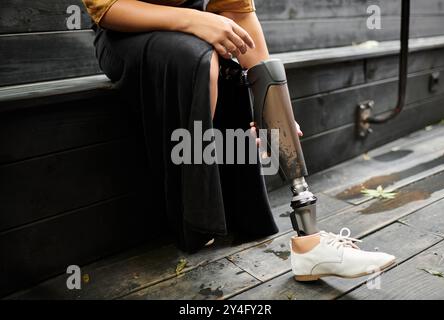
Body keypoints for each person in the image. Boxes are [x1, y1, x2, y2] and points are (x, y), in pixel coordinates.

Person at [82, 0, 396, 281]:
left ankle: (308, 243)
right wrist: (194, 21)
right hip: (123, 34)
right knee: (198, 57)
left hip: (196, 30)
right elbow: (106, 8)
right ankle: (196, 221)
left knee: (231, 68)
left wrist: (271, 104)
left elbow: (237, 14)